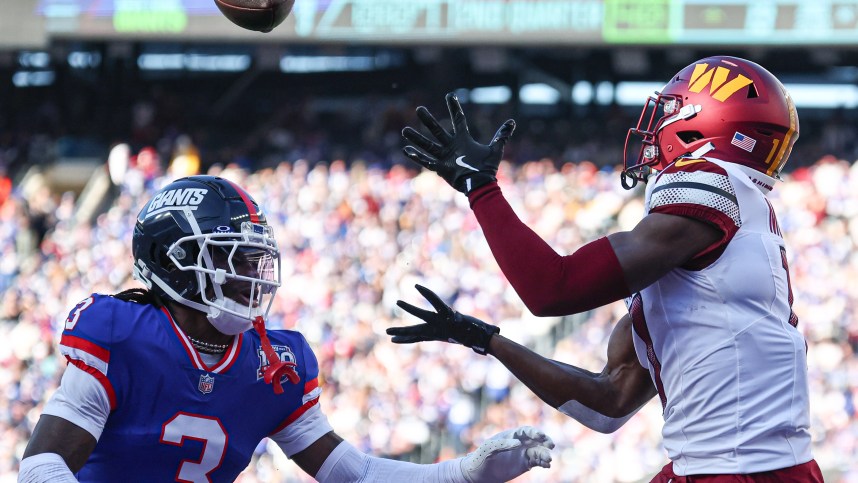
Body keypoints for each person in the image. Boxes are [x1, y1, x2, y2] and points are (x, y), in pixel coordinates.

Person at [391, 56, 825, 481]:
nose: (653, 130)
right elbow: (609, 402)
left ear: (704, 121)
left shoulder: (711, 184)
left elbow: (552, 289)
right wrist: (486, 340)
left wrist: (480, 187)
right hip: (744, 467)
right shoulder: (729, 239)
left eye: (669, 112)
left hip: (733, 471)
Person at [18, 175, 554, 482]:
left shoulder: (274, 363)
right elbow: (42, 464)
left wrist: (463, 474)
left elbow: (358, 476)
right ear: (172, 262)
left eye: (255, 260)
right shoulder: (120, 332)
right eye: (232, 257)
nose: (251, 275)